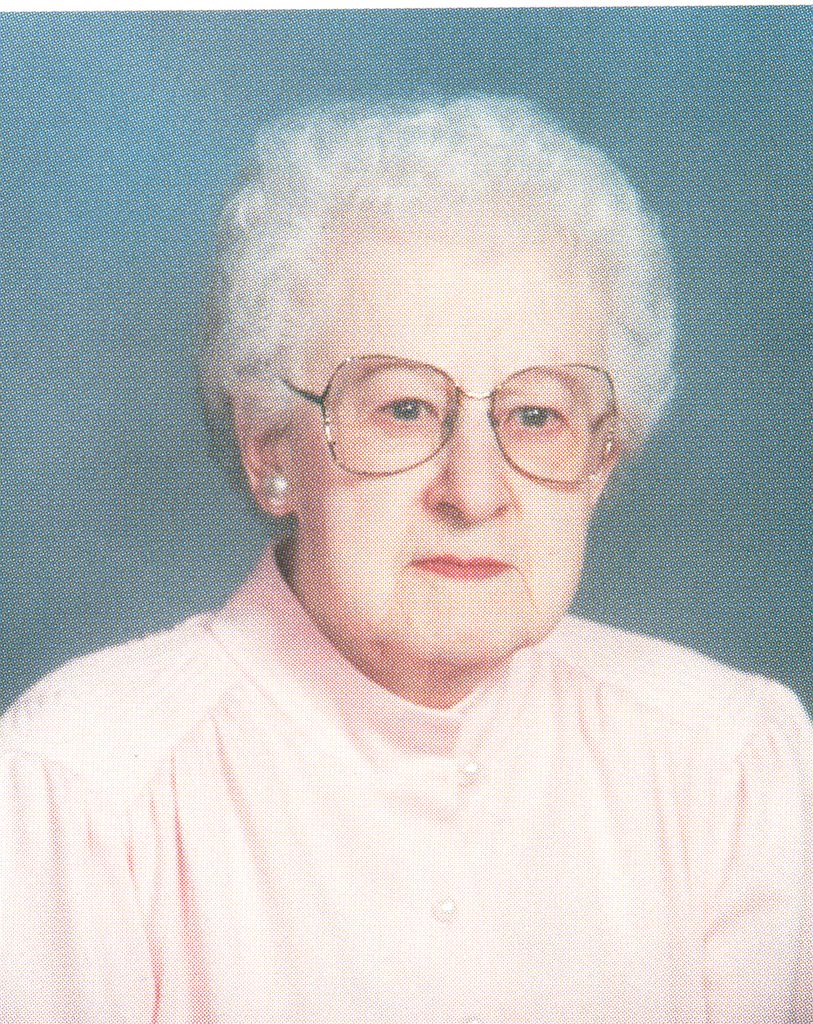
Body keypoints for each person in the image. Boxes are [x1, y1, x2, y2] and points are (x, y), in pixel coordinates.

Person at [1, 94, 810, 1024]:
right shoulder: (85, 790)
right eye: (403, 409)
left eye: (535, 415)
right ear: (270, 450)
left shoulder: (727, 765)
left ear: (598, 462)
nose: (474, 491)